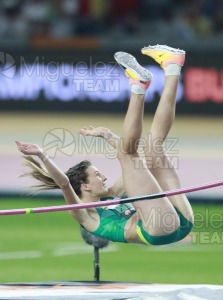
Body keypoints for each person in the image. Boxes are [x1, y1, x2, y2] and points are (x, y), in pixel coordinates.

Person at [16, 45, 194, 246]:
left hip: (181, 222)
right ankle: (138, 86)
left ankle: (172, 66)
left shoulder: (112, 195)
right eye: (98, 175)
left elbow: (139, 164)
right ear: (84, 186)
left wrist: (108, 135)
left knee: (153, 148)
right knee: (128, 155)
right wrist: (42, 155)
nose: (105, 177)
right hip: (157, 229)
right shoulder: (84, 214)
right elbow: (65, 183)